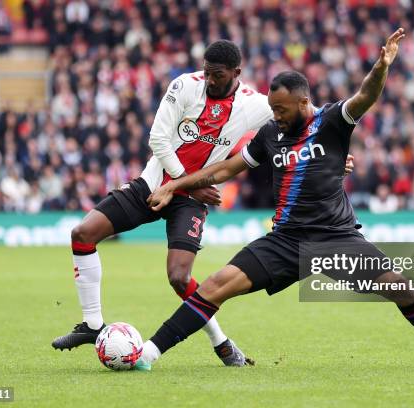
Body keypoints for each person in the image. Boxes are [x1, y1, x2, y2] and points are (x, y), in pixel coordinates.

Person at [138, 29, 414, 371]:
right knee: (215, 285)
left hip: (335, 238)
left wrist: (381, 67)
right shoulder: (270, 134)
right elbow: (226, 168)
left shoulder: (331, 121)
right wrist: (175, 184)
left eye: (281, 110)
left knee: (403, 290)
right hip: (286, 240)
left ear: (303, 102)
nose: (275, 116)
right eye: (272, 109)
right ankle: (147, 354)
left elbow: (365, 97)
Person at [51, 40, 275, 366]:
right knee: (83, 234)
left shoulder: (254, 104)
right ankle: (92, 324)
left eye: (219, 75)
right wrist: (187, 183)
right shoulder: (184, 86)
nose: (211, 80)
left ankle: (221, 342)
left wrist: (334, 152)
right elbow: (157, 138)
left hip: (189, 202)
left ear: (236, 73)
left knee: (179, 278)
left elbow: (298, 116)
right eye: (208, 72)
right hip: (153, 185)